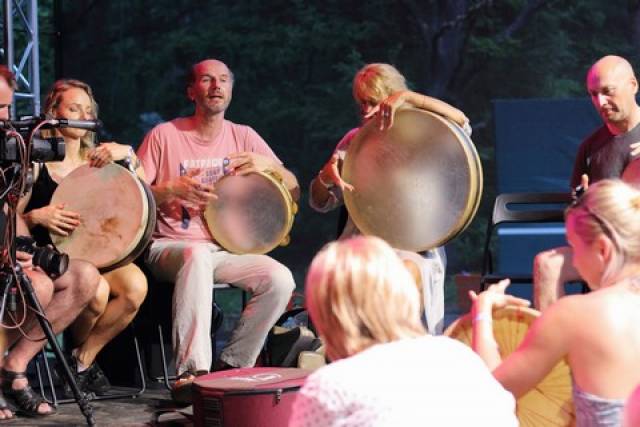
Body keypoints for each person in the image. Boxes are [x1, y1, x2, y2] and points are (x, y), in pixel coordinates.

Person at [137, 59, 298, 403]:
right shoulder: (164, 135)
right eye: (207, 79)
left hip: (224, 250)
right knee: (195, 256)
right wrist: (169, 191)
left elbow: (294, 187)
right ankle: (192, 373)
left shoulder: (244, 136)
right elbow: (131, 198)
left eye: (223, 79)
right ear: (191, 91)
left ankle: (233, 364)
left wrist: (269, 167)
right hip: (170, 246)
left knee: (280, 279)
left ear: (230, 89)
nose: (216, 86)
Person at [309, 63, 470, 334]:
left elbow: (461, 122)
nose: (365, 110)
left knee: (406, 273)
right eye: (361, 103)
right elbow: (319, 201)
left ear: (392, 97)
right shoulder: (355, 141)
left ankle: (397, 349)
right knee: (334, 270)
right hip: (364, 243)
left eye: (372, 101)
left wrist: (411, 99)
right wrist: (325, 177)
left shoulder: (422, 133)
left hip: (414, 244)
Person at [289, 236, 517, 427]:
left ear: (329, 312)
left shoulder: (329, 386)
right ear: (405, 294)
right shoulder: (458, 354)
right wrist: (483, 312)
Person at [471, 179, 640, 426]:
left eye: (574, 247)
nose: (576, 262)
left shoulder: (576, 315)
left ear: (602, 250)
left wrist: (482, 312)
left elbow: (492, 392)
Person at [18, 79, 148, 396]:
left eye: (87, 110)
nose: (82, 115)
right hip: (57, 258)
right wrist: (37, 216)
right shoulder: (36, 163)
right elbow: (10, 219)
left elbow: (144, 197)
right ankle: (73, 369)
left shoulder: (98, 159)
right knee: (98, 293)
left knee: (135, 287)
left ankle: (80, 362)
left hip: (101, 253)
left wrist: (129, 156)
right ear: (54, 112)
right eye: (74, 108)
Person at [0, 66, 100, 418]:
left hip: (7, 249)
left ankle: (14, 369)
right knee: (37, 287)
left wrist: (21, 249)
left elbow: (11, 211)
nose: (3, 118)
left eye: (6, 109)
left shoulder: (11, 149)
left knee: (85, 277)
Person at [533, 55, 640, 310]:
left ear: (633, 85)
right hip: (606, 251)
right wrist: (583, 203)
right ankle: (555, 348)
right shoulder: (591, 147)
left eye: (607, 92)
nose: (600, 102)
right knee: (546, 264)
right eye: (593, 94)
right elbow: (574, 215)